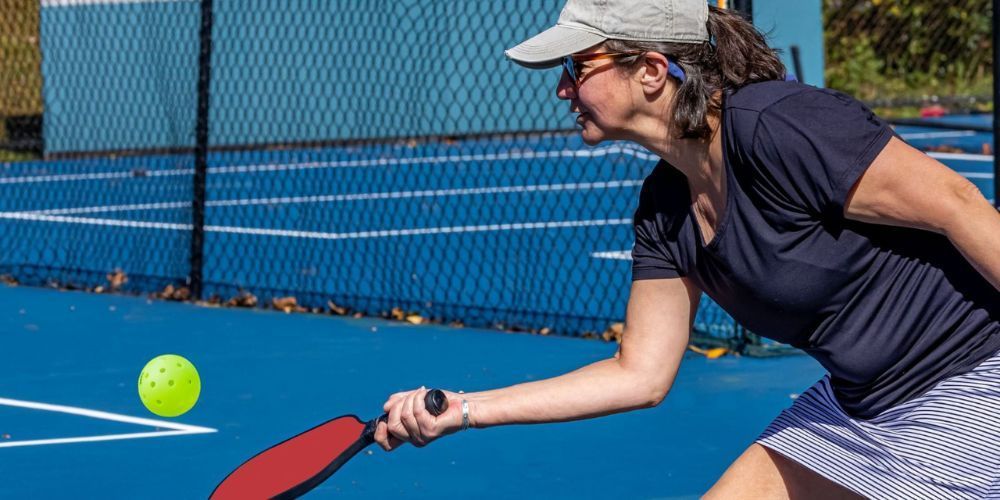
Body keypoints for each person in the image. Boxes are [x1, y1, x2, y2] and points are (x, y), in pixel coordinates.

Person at [374, 0, 1000, 497]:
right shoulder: (665, 207)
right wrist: (463, 409)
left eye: (577, 67)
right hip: (856, 405)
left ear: (650, 70)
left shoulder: (776, 124)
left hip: (973, 383)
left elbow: (959, 206)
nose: (563, 90)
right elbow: (638, 375)